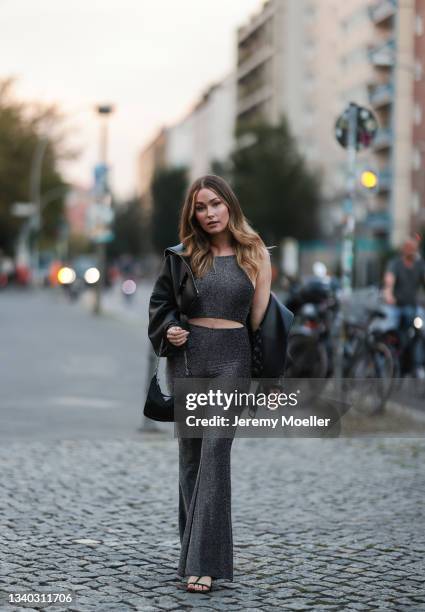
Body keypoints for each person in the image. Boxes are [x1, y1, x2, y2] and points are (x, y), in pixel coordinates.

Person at [148, 175, 272, 593]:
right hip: (188, 359)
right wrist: (170, 330)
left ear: (229, 205)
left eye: (216, 204)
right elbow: (161, 307)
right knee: (191, 458)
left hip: (232, 360)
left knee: (215, 453)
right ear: (193, 214)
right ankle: (191, 553)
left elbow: (258, 322)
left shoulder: (254, 252)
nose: (210, 213)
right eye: (201, 207)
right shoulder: (182, 255)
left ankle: (204, 563)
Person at [382, 235, 425, 372]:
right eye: (408, 247)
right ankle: (385, 361)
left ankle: (418, 366)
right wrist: (389, 294)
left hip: (413, 307)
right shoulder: (395, 263)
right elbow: (389, 281)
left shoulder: (420, 265)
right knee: (388, 330)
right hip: (396, 307)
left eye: (413, 248)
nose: (411, 250)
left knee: (420, 332)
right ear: (404, 249)